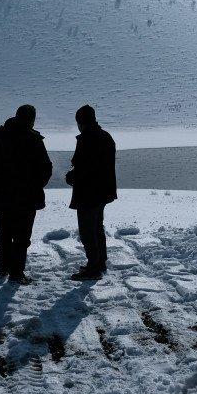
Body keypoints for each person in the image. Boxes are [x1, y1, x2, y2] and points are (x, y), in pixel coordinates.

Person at [0, 104, 53, 285]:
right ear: (31, 119)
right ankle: (16, 273)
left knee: (5, 233)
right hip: (26, 197)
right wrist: (36, 185)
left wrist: (1, 175)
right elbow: (46, 167)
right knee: (22, 236)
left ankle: (4, 268)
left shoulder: (0, 135)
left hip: (4, 195)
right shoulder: (33, 139)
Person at [65, 104, 117, 281]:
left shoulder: (87, 138)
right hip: (103, 191)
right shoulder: (105, 136)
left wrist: (72, 176)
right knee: (97, 228)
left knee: (87, 231)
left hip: (89, 192)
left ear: (81, 122)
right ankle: (99, 262)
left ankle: (93, 268)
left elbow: (85, 166)